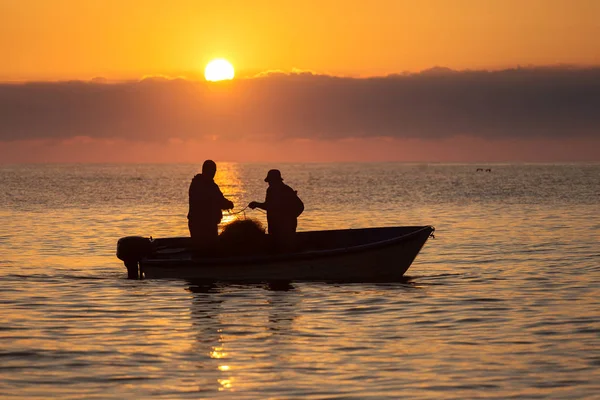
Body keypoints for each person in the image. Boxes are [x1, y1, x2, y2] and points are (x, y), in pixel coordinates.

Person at [248, 169, 304, 250]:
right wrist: (292, 217)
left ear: (274, 180)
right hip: (287, 225)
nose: (269, 183)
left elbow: (270, 206)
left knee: (280, 246)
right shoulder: (287, 189)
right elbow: (300, 206)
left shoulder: (272, 190)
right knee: (287, 247)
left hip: (277, 226)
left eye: (270, 181)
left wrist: (257, 204)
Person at [187, 160, 234, 251]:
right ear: (207, 170)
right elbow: (218, 200)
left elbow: (217, 200)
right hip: (205, 224)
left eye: (214, 171)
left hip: (197, 223)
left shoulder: (196, 183)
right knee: (208, 249)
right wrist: (229, 204)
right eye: (212, 171)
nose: (213, 173)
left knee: (200, 249)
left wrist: (226, 203)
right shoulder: (208, 186)